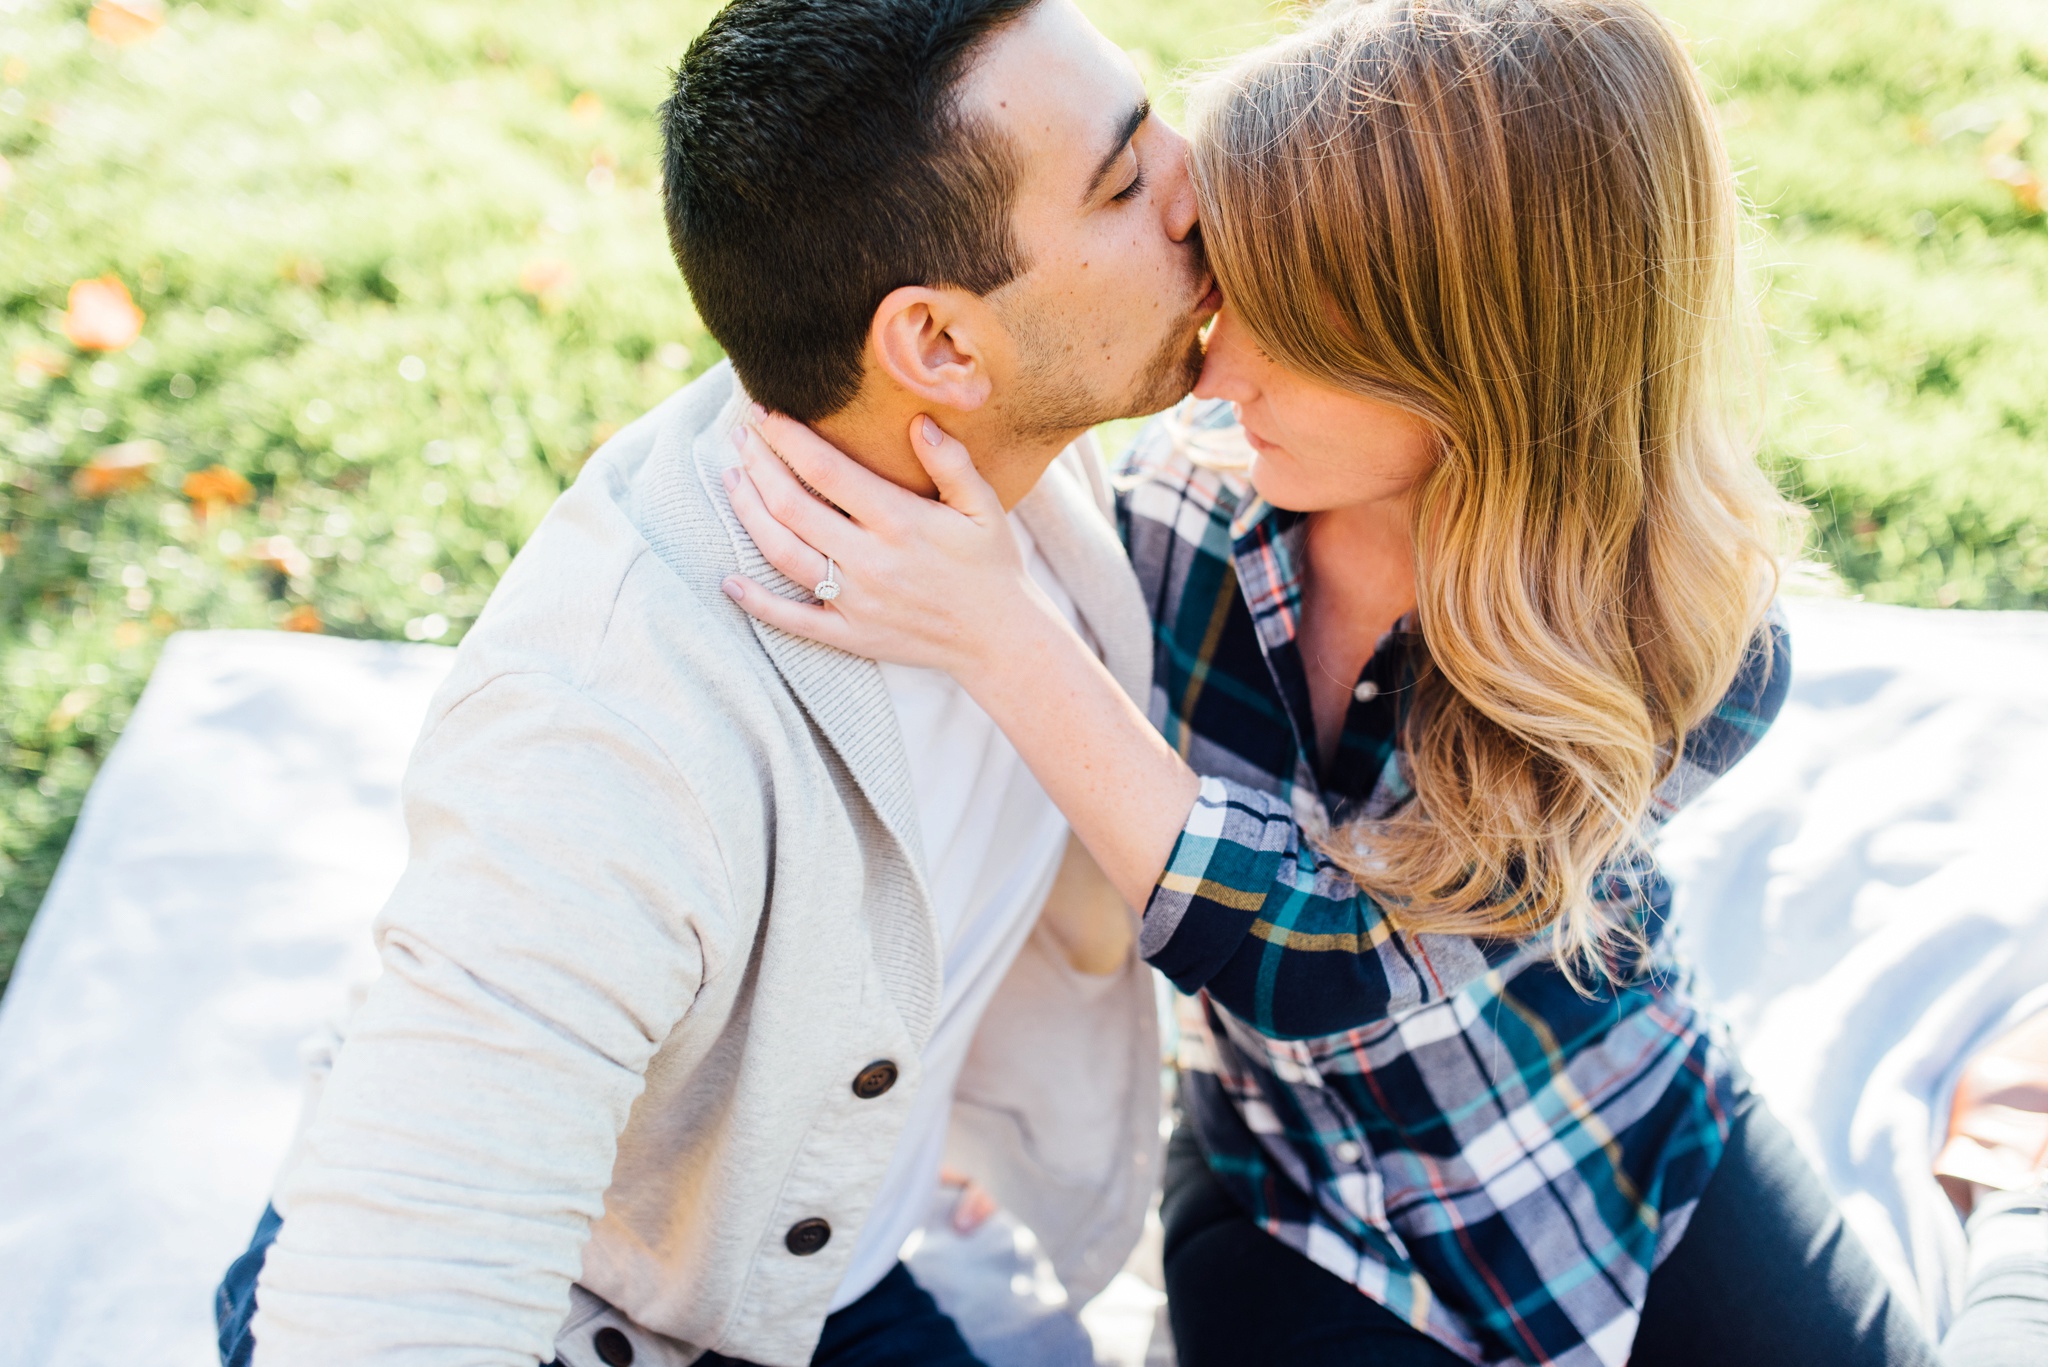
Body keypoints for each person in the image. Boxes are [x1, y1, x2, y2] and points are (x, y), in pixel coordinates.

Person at [719, 1, 2048, 1363]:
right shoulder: (1175, 521)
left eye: (1285, 324)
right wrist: (928, 1115)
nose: (1211, 359)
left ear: (1476, 362)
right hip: (1292, 1194)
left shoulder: (1692, 637)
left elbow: (1340, 962)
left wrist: (1003, 640)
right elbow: (985, 828)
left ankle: (2019, 1196)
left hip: (1620, 1136)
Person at [211, 1, 1222, 1363]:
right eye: (1121, 180)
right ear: (938, 348)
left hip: (817, 1285)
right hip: (593, 1323)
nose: (1196, 181)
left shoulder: (1026, 464)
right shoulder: (614, 725)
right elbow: (392, 1308)